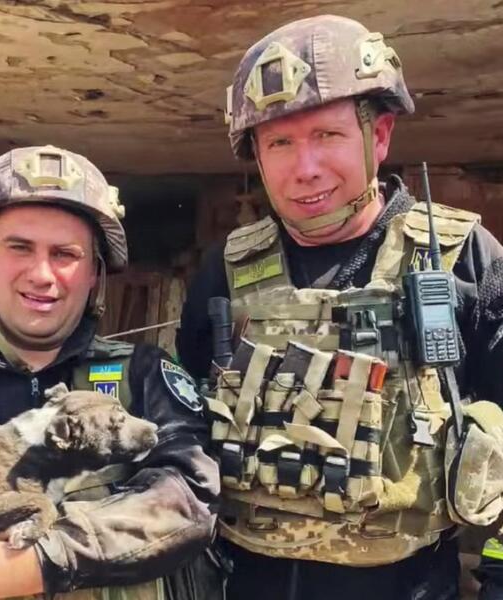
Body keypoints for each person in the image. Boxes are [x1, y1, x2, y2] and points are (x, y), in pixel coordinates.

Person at [176, 14, 503, 600]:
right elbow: (188, 426)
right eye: (279, 143)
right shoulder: (224, 269)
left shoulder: (462, 259)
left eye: (327, 135)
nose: (305, 169)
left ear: (380, 136)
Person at [0, 145, 221, 599]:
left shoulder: (145, 377)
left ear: (94, 272)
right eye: (20, 247)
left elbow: (188, 502)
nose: (41, 274)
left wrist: (25, 567)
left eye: (65, 254)